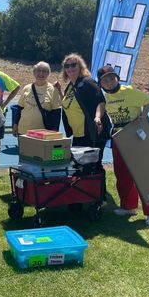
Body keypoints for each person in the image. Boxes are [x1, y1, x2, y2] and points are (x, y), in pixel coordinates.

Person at [97, 65, 149, 227]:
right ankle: (128, 206)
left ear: (117, 78)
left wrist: (143, 116)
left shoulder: (128, 90)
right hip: (118, 136)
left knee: (143, 173)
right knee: (122, 173)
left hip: (134, 133)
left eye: (111, 78)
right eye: (104, 80)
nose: (108, 82)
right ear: (100, 84)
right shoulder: (105, 97)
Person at [56, 53, 111, 204]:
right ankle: (86, 194)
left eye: (74, 65)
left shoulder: (87, 82)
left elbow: (101, 101)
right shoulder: (70, 86)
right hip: (79, 133)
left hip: (93, 131)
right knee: (79, 165)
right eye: (67, 66)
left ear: (80, 66)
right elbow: (68, 105)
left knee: (94, 164)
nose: (70, 68)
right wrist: (60, 91)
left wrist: (98, 117)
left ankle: (100, 197)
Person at [12, 61, 61, 135]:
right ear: (34, 72)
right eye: (38, 71)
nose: (41, 74)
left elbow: (56, 112)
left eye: (44, 71)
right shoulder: (26, 88)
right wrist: (15, 124)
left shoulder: (53, 90)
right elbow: (20, 108)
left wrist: (55, 131)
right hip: (23, 130)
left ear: (48, 74)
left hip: (42, 133)